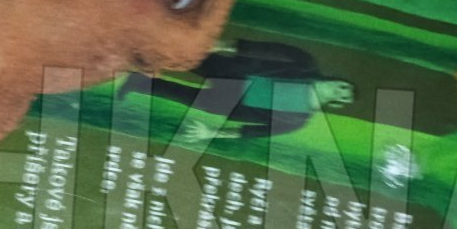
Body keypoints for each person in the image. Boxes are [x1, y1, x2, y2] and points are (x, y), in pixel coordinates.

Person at [118, 38, 354, 141]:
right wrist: (220, 45)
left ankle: (137, 82)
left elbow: (251, 132)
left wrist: (211, 133)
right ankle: (139, 45)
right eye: (344, 86)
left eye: (343, 96)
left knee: (177, 93)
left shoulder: (298, 120)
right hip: (232, 72)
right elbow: (264, 49)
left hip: (229, 104)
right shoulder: (306, 63)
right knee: (182, 56)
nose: (339, 91)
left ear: (336, 104)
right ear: (339, 80)